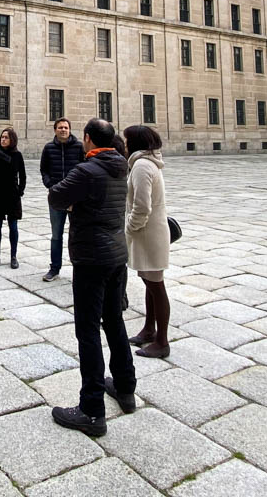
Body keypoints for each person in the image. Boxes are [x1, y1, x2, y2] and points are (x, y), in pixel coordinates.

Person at [47, 118, 135, 436]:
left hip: (91, 258)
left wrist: (75, 200)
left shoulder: (87, 170)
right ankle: (125, 388)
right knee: (114, 321)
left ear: (86, 139)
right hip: (116, 256)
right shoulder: (121, 166)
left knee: (87, 332)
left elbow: (56, 197)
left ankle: (92, 410)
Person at [122, 124, 170, 358]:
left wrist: (129, 228)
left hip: (148, 234)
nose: (125, 144)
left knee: (156, 286)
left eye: (127, 140)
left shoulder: (141, 166)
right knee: (150, 283)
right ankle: (149, 329)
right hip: (149, 232)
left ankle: (162, 341)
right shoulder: (145, 163)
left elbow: (142, 207)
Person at [39, 117, 84, 282]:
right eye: (60, 127)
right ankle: (54, 268)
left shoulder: (79, 147)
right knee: (56, 235)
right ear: (55, 130)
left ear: (70, 129)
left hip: (75, 199)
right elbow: (43, 169)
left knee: (76, 234)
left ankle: (78, 268)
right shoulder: (49, 148)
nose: (63, 130)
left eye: (65, 127)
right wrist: (49, 184)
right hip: (56, 198)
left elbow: (85, 168)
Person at [0, 127, 26, 269]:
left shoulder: (17, 155)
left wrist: (20, 191)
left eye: (6, 137)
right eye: (2, 137)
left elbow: (23, 175)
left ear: (12, 140)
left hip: (13, 195)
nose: (3, 139)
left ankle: (13, 256)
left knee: (13, 227)